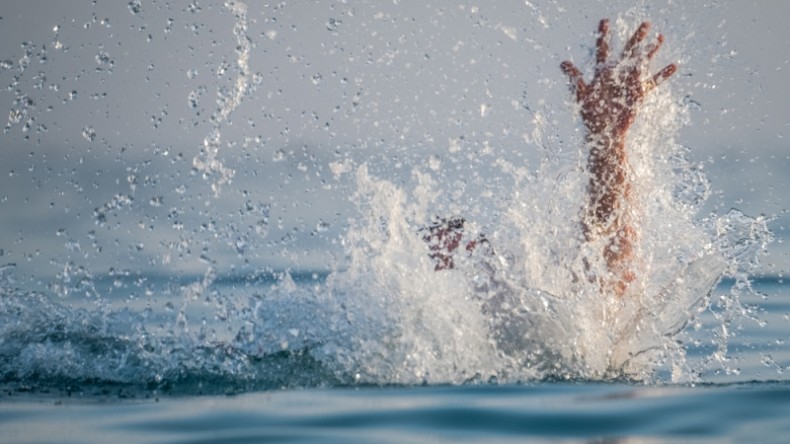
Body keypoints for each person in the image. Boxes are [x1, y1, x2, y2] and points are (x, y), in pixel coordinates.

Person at [427, 19, 677, 298]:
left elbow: (606, 270)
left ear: (475, 246)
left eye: (448, 252)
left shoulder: (520, 292)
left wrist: (607, 141)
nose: (438, 265)